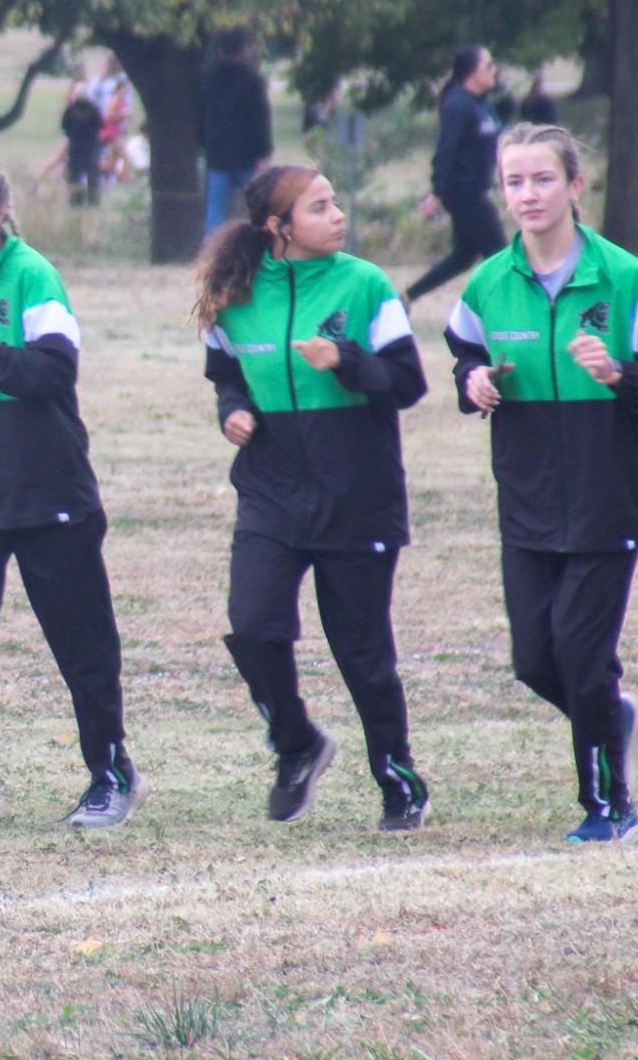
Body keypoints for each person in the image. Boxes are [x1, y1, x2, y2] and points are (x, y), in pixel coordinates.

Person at [444, 123, 638, 844]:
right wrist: (474, 381)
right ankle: (610, 719)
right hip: (524, 500)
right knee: (533, 661)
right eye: (513, 181)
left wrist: (618, 375)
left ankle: (610, 808)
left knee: (582, 658)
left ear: (574, 187)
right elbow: (461, 352)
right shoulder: (489, 281)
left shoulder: (620, 278)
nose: (527, 194)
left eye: (542, 179)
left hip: (603, 497)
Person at [194, 163, 432, 830]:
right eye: (318, 207)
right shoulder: (234, 293)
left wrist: (347, 361)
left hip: (357, 496)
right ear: (277, 228)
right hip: (270, 492)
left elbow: (407, 383)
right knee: (251, 626)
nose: (336, 216)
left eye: (334, 203)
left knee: (361, 652)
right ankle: (297, 744)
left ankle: (397, 779)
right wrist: (232, 410)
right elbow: (223, 373)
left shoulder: (364, 285)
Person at [0, 154, 145, 831]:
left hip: (47, 482)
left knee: (79, 640)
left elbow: (52, 372)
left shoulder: (34, 276)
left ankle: (110, 773)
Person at [404, 46, 504, 309]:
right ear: (471, 72)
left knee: (464, 256)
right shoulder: (458, 105)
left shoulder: (481, 103)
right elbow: (445, 151)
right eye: (489, 66)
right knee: (500, 255)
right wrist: (438, 193)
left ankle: (407, 296)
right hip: (462, 192)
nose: (495, 70)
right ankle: (504, 310)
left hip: (477, 190)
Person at [199, 30, 274, 237]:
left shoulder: (208, 80)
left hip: (217, 154)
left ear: (220, 51)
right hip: (246, 154)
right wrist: (263, 152)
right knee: (253, 205)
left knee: (215, 206)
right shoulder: (252, 81)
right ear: (243, 51)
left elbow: (200, 116)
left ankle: (212, 251)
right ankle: (257, 245)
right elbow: (260, 118)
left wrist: (204, 144)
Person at [61, 94, 105, 206]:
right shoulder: (72, 111)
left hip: (90, 145)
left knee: (92, 173)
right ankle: (76, 199)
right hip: (77, 145)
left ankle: (93, 199)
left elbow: (99, 125)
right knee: (75, 173)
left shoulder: (93, 110)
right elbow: (65, 126)